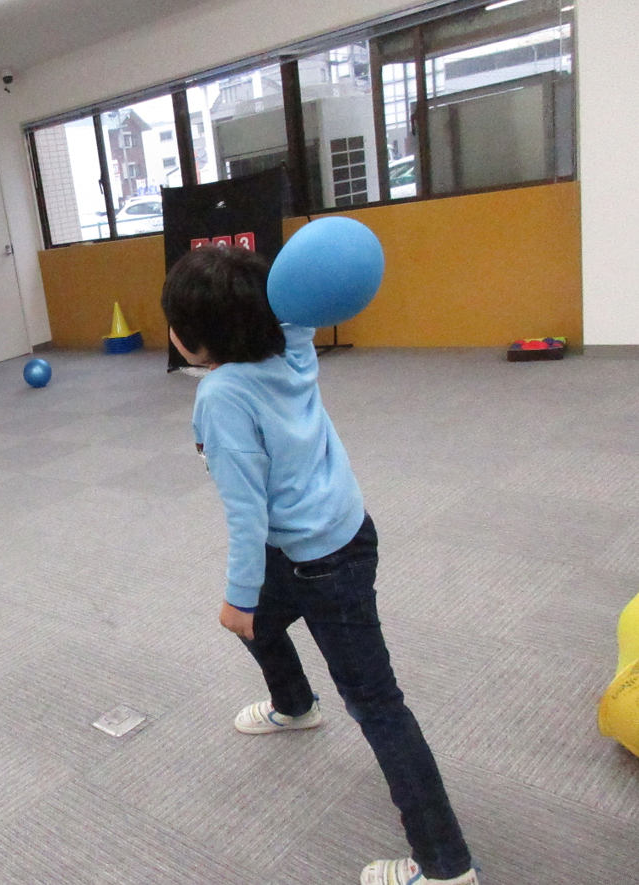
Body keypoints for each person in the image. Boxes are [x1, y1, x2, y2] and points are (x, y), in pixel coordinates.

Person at [161, 245, 479, 885]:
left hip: (322, 564)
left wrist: (237, 594)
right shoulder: (291, 345)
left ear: (194, 338)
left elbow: (245, 513)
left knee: (376, 705)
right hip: (340, 534)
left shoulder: (221, 394)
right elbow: (296, 306)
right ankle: (295, 704)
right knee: (262, 623)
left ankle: (446, 867)